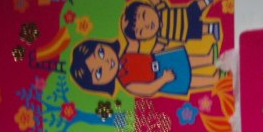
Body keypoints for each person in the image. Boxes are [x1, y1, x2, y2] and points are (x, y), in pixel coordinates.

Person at [70, 39, 219, 97]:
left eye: (101, 53)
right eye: (99, 72)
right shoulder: (127, 83)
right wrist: (163, 79)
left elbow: (134, 43)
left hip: (160, 59)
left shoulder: (126, 55)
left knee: (184, 60)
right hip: (161, 78)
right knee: (188, 80)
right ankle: (213, 80)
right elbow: (148, 89)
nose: (107, 62)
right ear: (100, 85)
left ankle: (208, 59)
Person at [121, 0, 220, 52]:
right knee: (199, 29)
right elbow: (158, 48)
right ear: (143, 39)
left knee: (197, 7)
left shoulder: (160, 9)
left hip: (186, 14)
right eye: (141, 31)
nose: (147, 25)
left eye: (144, 16)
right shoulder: (161, 36)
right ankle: (212, 28)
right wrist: (152, 56)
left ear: (148, 7)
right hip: (186, 32)